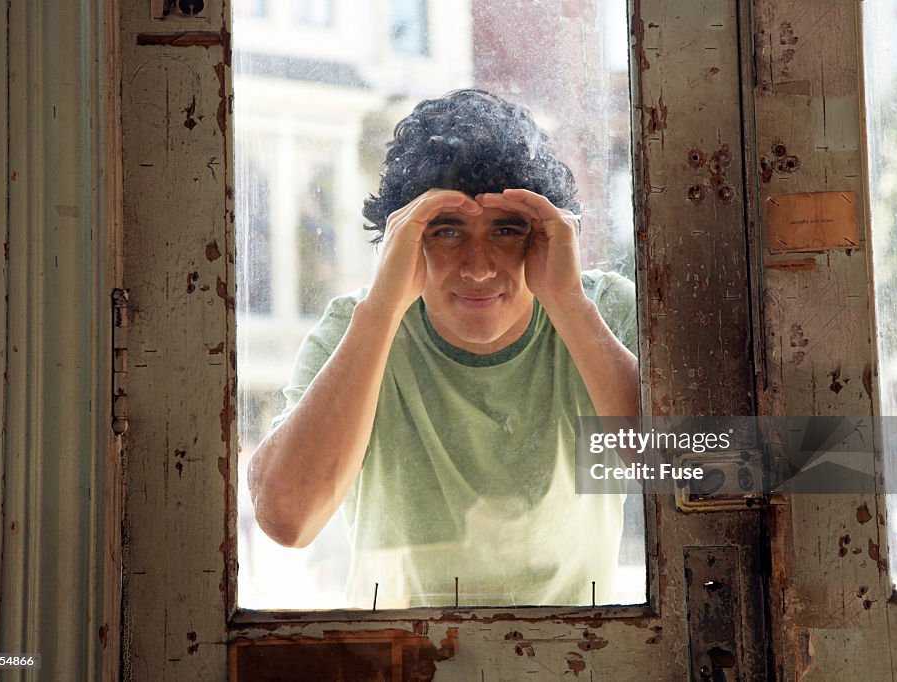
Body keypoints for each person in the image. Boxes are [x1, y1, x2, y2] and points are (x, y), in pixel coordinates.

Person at [248, 89, 640, 608]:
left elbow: (693, 473)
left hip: (578, 657)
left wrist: (568, 303)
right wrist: (383, 308)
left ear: (542, 234)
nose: (478, 268)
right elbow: (288, 521)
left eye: (506, 229)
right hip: (401, 660)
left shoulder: (602, 309)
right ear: (405, 237)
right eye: (447, 230)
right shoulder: (358, 325)